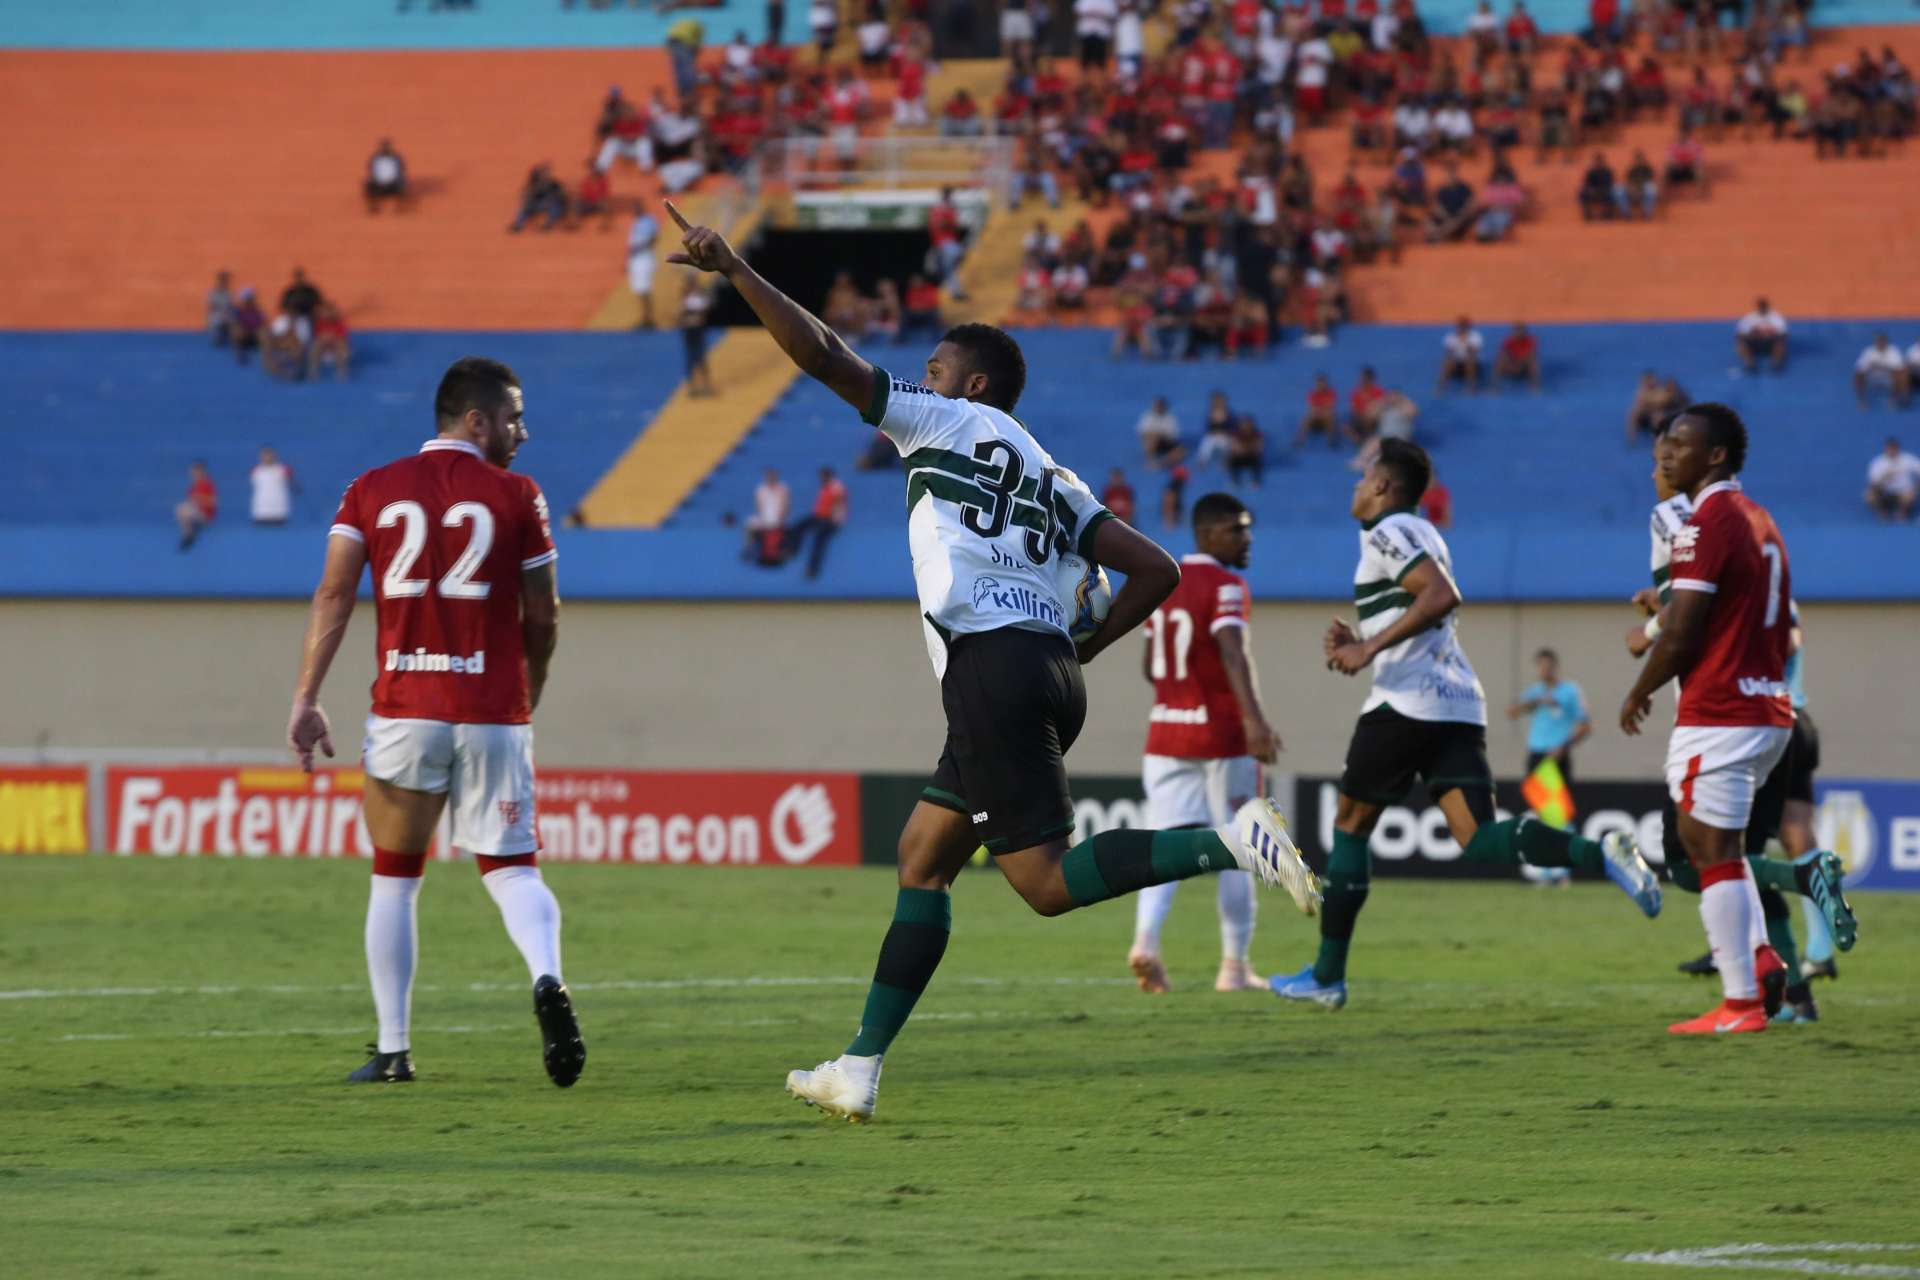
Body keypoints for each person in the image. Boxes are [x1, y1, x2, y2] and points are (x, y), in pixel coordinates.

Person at [662, 200, 1319, 1122]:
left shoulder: (940, 422)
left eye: (934, 369)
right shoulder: (1060, 476)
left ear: (969, 386)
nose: (919, 379)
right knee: (923, 856)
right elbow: (1158, 569)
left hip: (991, 667)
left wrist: (735, 268)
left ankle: (1232, 841)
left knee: (1045, 885)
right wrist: (1080, 642)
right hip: (1048, 672)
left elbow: (820, 354)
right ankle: (860, 1065)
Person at [1271, 439, 1660, 1010]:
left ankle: (1328, 976)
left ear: (1381, 486)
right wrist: (1364, 640)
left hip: (1406, 703)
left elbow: (1440, 595)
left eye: (1362, 479)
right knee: (1478, 836)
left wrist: (1369, 648)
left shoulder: (1389, 532)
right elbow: (1425, 607)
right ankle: (1601, 854)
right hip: (1456, 700)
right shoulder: (1423, 533)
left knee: (1350, 826)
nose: (1354, 487)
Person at [285, 357, 584, 1085]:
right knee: (512, 869)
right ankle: (548, 978)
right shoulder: (518, 494)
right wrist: (528, 690)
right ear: (475, 421)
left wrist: (306, 697)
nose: (524, 431)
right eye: (514, 417)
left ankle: (393, 1050)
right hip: (492, 710)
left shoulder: (371, 490)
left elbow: (332, 596)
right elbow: (542, 614)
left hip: (404, 707)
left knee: (394, 877)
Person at [1619, 404, 1852, 1034]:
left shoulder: (1701, 521)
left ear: (1715, 455)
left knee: (1701, 851)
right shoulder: (1760, 518)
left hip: (1721, 708)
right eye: (1662, 446)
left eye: (1679, 445)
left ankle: (1742, 999)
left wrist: (1641, 686)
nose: (1665, 456)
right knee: (1720, 849)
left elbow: (1687, 626)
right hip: (1769, 706)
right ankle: (1764, 959)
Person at [1128, 493, 1284, 995]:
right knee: (1241, 846)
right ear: (1208, 533)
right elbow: (1233, 653)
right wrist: (1255, 721)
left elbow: (1151, 665)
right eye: (1237, 529)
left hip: (1165, 731)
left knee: (1162, 845)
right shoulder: (1227, 585)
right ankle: (1234, 968)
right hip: (1220, 735)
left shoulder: (1162, 581)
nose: (1248, 538)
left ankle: (1145, 942)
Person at [1509, 649, 1590, 781]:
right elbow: (1512, 712)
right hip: (1536, 753)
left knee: (1556, 801)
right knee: (1536, 800)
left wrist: (1563, 747)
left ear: (1556, 667)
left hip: (1558, 754)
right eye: (1542, 667)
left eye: (1549, 667)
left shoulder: (1570, 691)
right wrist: (1535, 702)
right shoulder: (1535, 691)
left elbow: (1585, 727)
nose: (1545, 671)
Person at [787, 466, 848, 579]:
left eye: (822, 476)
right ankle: (792, 550)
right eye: (820, 476)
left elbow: (839, 504)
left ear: (829, 476)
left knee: (819, 541)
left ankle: (812, 570)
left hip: (831, 521)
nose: (820, 478)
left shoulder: (836, 487)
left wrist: (834, 520)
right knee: (798, 526)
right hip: (819, 517)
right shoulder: (824, 487)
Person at [1865, 437, 1920, 521]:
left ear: (1898, 448)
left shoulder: (1908, 459)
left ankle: (1902, 514)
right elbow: (1873, 483)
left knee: (1910, 495)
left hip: (1903, 492)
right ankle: (1882, 514)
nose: (1891, 451)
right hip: (1885, 493)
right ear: (1885, 449)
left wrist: (1916, 488)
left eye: (1894, 448)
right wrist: (1885, 477)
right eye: (1889, 448)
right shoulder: (1878, 462)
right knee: (1869, 495)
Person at [744, 467, 790, 563]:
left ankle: (781, 551)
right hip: (764, 517)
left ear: (776, 477)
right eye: (769, 477)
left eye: (773, 477)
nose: (771, 479)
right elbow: (758, 507)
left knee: (780, 529)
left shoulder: (783, 488)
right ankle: (748, 549)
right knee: (748, 524)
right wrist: (762, 518)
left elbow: (786, 506)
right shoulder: (761, 489)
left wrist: (781, 518)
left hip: (777, 517)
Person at [1853, 334, 1912, 409]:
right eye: (1879, 342)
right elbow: (1860, 367)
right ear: (1875, 343)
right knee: (1858, 375)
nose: (1881, 344)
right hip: (1872, 377)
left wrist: (1879, 366)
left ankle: (1894, 399)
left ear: (1886, 343)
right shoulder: (1868, 351)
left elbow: (1899, 367)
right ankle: (1861, 400)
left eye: (1883, 342)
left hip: (1888, 377)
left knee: (1901, 374)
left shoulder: (1893, 351)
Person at [680, 278, 715, 396]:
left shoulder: (698, 298)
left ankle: (706, 386)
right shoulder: (686, 298)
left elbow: (702, 315)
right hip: (690, 330)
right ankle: (693, 387)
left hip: (697, 330)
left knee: (701, 358)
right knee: (691, 358)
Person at [628, 203, 660, 329]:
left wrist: (641, 248)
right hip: (637, 260)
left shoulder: (648, 221)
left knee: (645, 289)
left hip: (644, 259)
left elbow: (654, 238)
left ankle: (648, 319)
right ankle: (645, 317)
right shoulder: (637, 222)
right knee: (640, 290)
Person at [1734, 297, 1788, 373]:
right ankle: (1749, 363)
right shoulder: (1750, 317)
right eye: (1761, 306)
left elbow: (1784, 334)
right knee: (1741, 343)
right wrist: (1754, 336)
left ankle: (1776, 364)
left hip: (1770, 343)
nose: (1762, 308)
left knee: (1780, 343)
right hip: (1755, 343)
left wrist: (1770, 335)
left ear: (1767, 306)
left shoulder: (1776, 317)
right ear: (1758, 307)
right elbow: (1740, 333)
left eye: (1764, 306)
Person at [250, 446, 296, 526]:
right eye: (265, 455)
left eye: (270, 455)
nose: (267, 457)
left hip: (279, 511)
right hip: (261, 511)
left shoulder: (283, 469)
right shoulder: (256, 470)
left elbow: (292, 483)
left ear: (275, 455)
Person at [176, 460, 216, 551]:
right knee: (181, 509)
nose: (192, 474)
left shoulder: (207, 484)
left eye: (194, 471)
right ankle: (189, 533)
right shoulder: (194, 486)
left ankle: (190, 535)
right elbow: (191, 500)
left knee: (182, 509)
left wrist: (199, 499)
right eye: (192, 472)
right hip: (196, 513)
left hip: (206, 515)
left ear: (201, 472)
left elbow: (213, 502)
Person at [1137, 395, 1185, 470]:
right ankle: (1150, 460)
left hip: (1165, 442)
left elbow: (1174, 436)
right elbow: (1142, 433)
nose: (1159, 408)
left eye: (1161, 406)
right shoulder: (1147, 417)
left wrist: (1160, 435)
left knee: (1182, 450)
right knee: (1152, 437)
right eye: (1157, 406)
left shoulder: (1171, 418)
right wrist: (1157, 435)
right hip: (1151, 443)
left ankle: (1161, 464)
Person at [1437, 316, 1483, 390]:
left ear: (1468, 326)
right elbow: (1448, 353)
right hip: (1456, 364)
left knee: (1470, 362)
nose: (1462, 327)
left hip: (1471, 363)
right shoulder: (1451, 337)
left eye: (1464, 325)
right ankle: (1440, 387)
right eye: (1461, 325)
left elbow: (1475, 352)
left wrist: (1465, 341)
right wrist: (1458, 341)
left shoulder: (1475, 336)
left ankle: (1471, 388)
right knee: (1448, 362)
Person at [308, 302, 351, 380]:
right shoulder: (318, 324)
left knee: (340, 343)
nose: (324, 314)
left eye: (326, 312)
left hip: (336, 349)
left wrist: (332, 338)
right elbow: (316, 336)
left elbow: (343, 337)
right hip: (323, 350)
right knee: (318, 343)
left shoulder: (338, 324)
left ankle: (342, 370)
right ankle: (313, 370)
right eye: (322, 312)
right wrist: (325, 338)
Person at [1295, 373, 1340, 448]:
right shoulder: (1313, 394)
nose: (1321, 385)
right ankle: (1299, 441)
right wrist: (1319, 411)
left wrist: (1321, 410)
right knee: (1307, 419)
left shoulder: (1331, 394)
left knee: (1329, 417)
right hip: (1316, 419)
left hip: (1326, 419)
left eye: (1322, 383)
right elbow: (1312, 409)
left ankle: (1331, 441)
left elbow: (1331, 408)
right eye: (1319, 383)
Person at [1493, 323, 1541, 390]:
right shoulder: (1509, 341)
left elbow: (1530, 354)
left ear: (1525, 332)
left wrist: (1520, 362)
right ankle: (1494, 387)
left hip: (1524, 368)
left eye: (1521, 331)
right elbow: (1504, 353)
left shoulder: (1530, 341)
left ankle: (1535, 387)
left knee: (1532, 359)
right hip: (1512, 365)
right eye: (1517, 331)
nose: (1519, 333)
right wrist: (1513, 362)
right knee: (1500, 359)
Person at [365, 139, 407, 213]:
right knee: (368, 184)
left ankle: (400, 207)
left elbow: (401, 171)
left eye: (386, 147)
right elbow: (372, 172)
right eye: (384, 147)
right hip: (379, 184)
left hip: (393, 184)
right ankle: (373, 207)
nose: (385, 149)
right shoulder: (376, 158)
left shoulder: (396, 158)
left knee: (402, 182)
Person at [229, 287, 264, 364]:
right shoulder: (238, 311)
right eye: (248, 299)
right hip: (244, 335)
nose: (250, 301)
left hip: (255, 335)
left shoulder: (257, 311)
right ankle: (240, 353)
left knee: (262, 332)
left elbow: (263, 323)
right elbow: (235, 324)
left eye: (251, 299)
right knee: (237, 330)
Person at [206, 271, 235, 346]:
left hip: (226, 316)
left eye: (225, 280)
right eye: (223, 280)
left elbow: (230, 307)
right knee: (217, 322)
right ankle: (218, 337)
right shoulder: (212, 293)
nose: (224, 282)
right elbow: (211, 308)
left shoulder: (228, 293)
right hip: (216, 317)